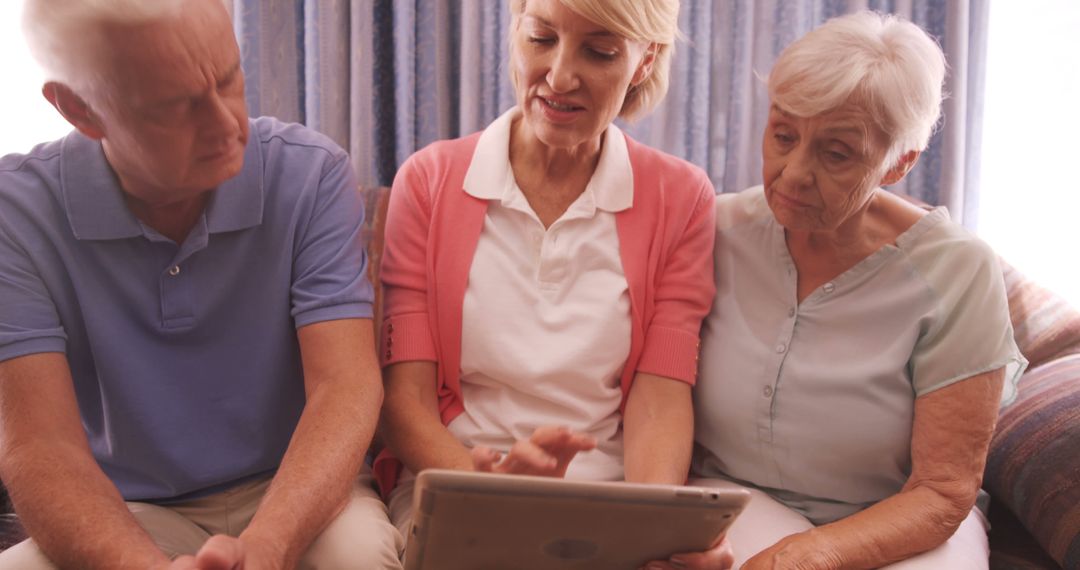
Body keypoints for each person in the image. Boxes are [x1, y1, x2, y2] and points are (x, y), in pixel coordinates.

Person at [0, 0, 402, 568]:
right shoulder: (15, 213)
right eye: (175, 106)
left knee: (358, 557)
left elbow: (346, 387)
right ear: (78, 108)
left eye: (229, 78)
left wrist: (267, 547)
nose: (227, 125)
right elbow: (41, 447)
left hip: (294, 488)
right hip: (124, 504)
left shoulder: (309, 173)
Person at [376, 0, 731, 566]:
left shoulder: (681, 197)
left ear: (644, 62)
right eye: (541, 38)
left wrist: (652, 529)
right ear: (515, 28)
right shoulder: (429, 182)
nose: (560, 76)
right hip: (458, 482)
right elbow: (405, 403)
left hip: (610, 496)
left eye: (600, 51)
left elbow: (660, 402)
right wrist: (493, 487)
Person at [685, 11, 1027, 570]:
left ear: (899, 163)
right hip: (738, 500)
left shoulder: (957, 272)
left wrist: (810, 555)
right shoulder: (712, 230)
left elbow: (942, 492)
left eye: (836, 153)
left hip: (902, 518)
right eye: (783, 135)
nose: (793, 173)